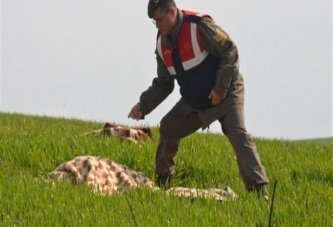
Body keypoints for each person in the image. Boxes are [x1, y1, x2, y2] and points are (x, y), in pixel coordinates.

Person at [128, 0, 269, 200]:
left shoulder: (199, 26)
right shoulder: (161, 45)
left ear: (173, 13)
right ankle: (162, 185)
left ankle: (259, 192)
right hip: (195, 102)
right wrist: (143, 106)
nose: (157, 26)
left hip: (227, 94)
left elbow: (230, 50)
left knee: (237, 134)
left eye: (159, 20)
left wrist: (220, 88)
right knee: (168, 127)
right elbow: (163, 84)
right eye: (154, 22)